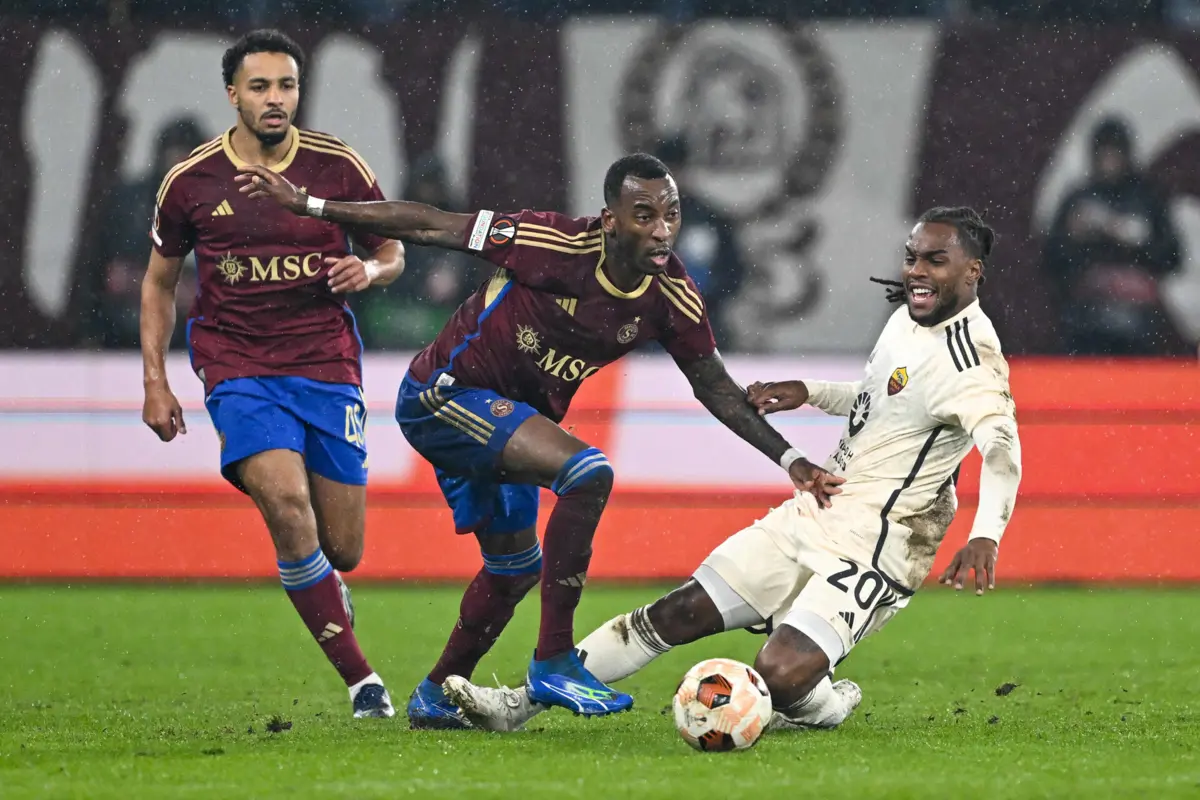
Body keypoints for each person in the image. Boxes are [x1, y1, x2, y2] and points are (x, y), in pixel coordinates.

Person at [237, 152, 844, 726]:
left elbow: (714, 386)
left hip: (508, 423)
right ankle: (553, 660)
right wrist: (313, 205)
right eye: (645, 215)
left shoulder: (670, 298)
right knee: (588, 472)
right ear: (610, 221)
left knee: (513, 568)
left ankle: (434, 694)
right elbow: (431, 224)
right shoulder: (550, 242)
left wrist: (790, 459)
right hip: (441, 397)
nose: (663, 230)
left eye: (671, 214)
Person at [440, 206, 1024, 734]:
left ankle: (824, 702)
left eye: (935, 261)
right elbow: (889, 399)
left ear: (973, 272)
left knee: (780, 672)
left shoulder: (972, 358)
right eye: (911, 257)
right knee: (676, 611)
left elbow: (1002, 450)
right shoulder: (908, 319)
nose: (917, 271)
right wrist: (812, 392)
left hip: (876, 545)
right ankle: (518, 704)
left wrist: (984, 534)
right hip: (817, 510)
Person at [139, 29, 405, 718]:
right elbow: (159, 283)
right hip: (239, 366)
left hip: (326, 365)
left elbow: (392, 249)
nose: (275, 99)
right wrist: (155, 381)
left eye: (285, 85)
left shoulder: (337, 166)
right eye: (259, 87)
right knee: (287, 507)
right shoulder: (192, 181)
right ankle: (362, 682)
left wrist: (367, 270)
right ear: (233, 94)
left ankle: (322, 585)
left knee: (342, 549)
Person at [1041, 117, 1182, 355]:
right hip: (1086, 322)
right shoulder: (1078, 200)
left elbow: (1171, 257)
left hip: (1139, 323)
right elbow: (1052, 261)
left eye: (1114, 152)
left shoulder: (1148, 199)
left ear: (1127, 155)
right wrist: (1075, 239)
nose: (1109, 161)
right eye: (1103, 153)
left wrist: (1133, 240)